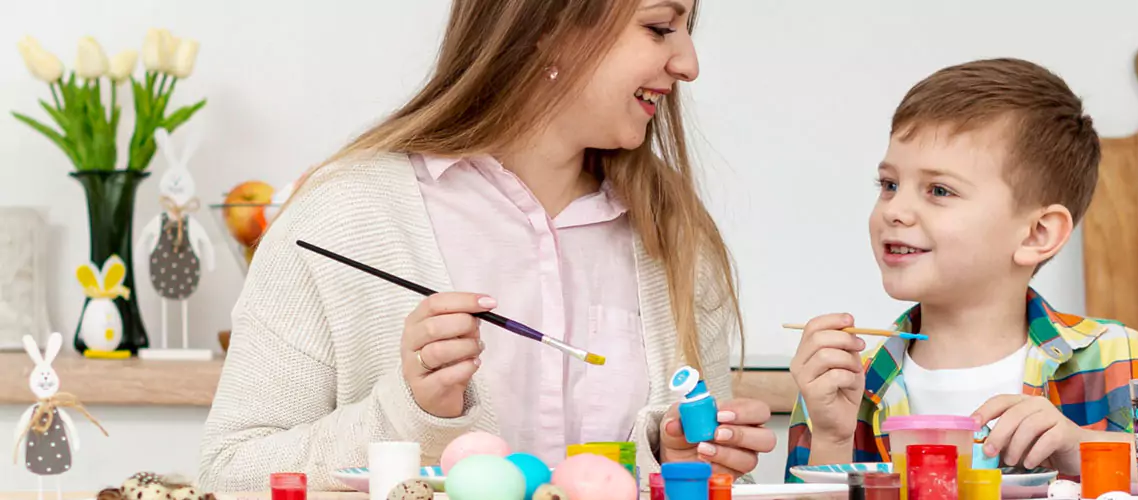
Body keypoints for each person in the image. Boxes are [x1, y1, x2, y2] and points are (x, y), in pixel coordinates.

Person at [198, 0, 775, 490]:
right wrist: (409, 412)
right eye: (659, 27)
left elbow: (718, 480)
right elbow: (229, 474)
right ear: (550, 26)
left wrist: (677, 467)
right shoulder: (344, 214)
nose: (688, 64)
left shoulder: (676, 235)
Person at [784, 59, 1138, 481]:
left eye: (939, 191)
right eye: (889, 184)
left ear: (1037, 233)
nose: (895, 210)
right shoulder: (847, 382)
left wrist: (1083, 448)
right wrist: (832, 438)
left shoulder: (1113, 360)